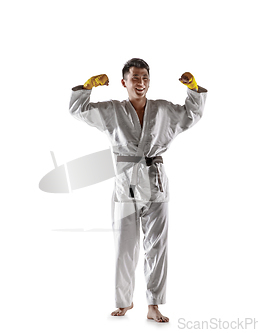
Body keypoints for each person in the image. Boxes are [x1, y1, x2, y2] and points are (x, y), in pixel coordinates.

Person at [69, 58, 207, 323]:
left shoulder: (163, 110)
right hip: (126, 183)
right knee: (124, 246)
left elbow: (192, 114)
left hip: (156, 182)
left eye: (144, 78)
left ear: (149, 81)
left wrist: (193, 87)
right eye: (134, 78)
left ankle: (154, 304)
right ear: (124, 82)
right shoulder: (112, 111)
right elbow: (78, 110)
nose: (140, 83)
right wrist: (88, 87)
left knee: (158, 246)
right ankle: (124, 301)